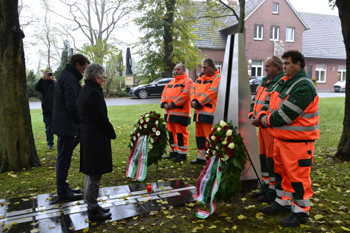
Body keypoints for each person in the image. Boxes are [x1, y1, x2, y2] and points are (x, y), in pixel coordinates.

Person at [257, 50, 319, 227]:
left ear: (298, 64)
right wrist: (263, 115)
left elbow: (286, 115)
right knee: (283, 175)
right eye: (283, 63)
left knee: (298, 179)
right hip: (281, 140)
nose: (283, 67)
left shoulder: (304, 85)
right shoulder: (284, 82)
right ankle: (283, 203)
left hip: (298, 143)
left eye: (287, 63)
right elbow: (267, 104)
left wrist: (264, 120)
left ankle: (300, 214)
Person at [78, 63, 116, 221]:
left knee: (90, 174)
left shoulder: (86, 90)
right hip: (95, 138)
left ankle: (92, 204)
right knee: (94, 175)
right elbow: (101, 118)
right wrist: (111, 133)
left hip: (89, 136)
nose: (104, 81)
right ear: (96, 78)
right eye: (103, 78)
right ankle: (92, 210)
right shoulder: (93, 93)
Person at [52, 54, 90, 201]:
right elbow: (71, 103)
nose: (83, 71)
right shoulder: (69, 78)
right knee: (64, 157)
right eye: (83, 68)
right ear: (77, 64)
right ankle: (62, 191)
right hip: (66, 124)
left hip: (64, 123)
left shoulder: (67, 76)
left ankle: (64, 187)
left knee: (65, 156)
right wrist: (79, 120)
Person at [249, 56, 285, 203]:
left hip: (269, 126)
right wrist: (253, 115)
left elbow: (272, 106)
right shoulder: (265, 82)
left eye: (268, 66)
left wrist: (261, 119)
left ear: (277, 67)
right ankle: (265, 185)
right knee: (263, 157)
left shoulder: (279, 83)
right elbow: (255, 102)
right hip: (261, 125)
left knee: (271, 159)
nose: (265, 69)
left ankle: (272, 190)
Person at [190, 58, 221, 165]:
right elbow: (193, 89)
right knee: (199, 136)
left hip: (209, 112)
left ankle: (211, 159)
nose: (203, 69)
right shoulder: (200, 77)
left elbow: (212, 92)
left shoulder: (218, 77)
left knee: (209, 136)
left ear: (212, 67)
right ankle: (201, 157)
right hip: (198, 112)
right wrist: (193, 100)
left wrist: (198, 102)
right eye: (202, 67)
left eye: (205, 67)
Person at [161, 64, 193, 162]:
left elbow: (185, 95)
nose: (176, 71)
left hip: (181, 113)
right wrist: (164, 103)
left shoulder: (188, 81)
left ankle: (182, 154)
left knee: (181, 134)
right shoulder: (171, 82)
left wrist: (172, 104)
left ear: (184, 70)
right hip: (170, 113)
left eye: (178, 69)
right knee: (171, 133)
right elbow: (164, 93)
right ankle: (173, 152)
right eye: (175, 69)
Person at [35, 69, 56, 150]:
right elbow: (37, 88)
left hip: (56, 109)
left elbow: (61, 90)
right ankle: (50, 143)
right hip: (47, 109)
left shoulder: (54, 83)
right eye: (47, 74)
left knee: (59, 126)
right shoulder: (42, 84)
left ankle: (59, 142)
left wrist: (56, 82)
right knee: (48, 128)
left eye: (50, 74)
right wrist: (42, 78)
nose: (49, 75)